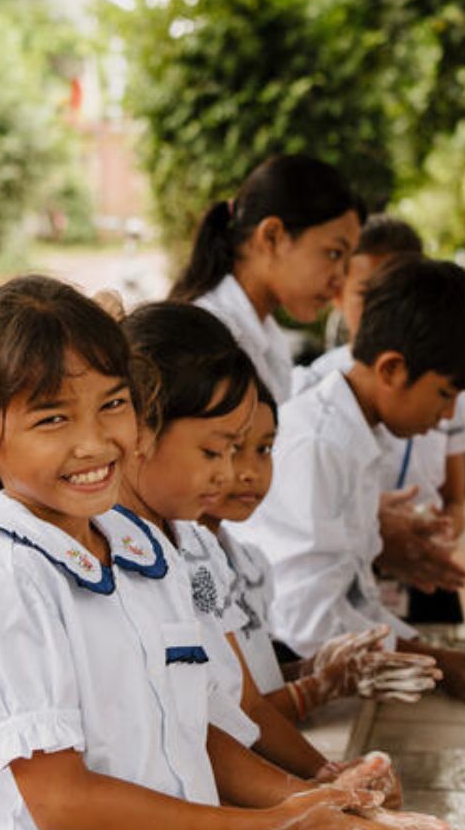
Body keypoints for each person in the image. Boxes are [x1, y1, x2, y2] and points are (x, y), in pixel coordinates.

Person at [0, 276, 457, 830]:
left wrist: (319, 802)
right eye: (51, 419)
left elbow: (197, 731)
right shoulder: (8, 575)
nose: (94, 441)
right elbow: (63, 801)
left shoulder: (140, 549)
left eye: (111, 405)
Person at [115, 301, 436, 793]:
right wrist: (305, 797)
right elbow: (198, 732)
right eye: (213, 451)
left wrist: (328, 780)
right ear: (140, 434)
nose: (231, 473)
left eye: (256, 449)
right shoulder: (107, 565)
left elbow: (242, 705)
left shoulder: (197, 546)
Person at [232, 256, 465, 713]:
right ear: (391, 370)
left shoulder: (355, 435)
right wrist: (433, 659)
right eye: (444, 394)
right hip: (274, 674)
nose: (447, 416)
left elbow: (354, 596)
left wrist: (430, 654)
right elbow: (310, 622)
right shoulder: (320, 446)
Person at [200, 382, 441, 720]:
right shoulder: (190, 573)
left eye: (265, 450)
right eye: (227, 450)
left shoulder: (248, 562)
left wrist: (312, 669)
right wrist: (318, 687)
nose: (249, 473)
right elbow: (233, 723)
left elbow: (252, 687)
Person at [296, 216, 465, 624]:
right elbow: (307, 619)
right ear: (338, 295)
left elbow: (456, 495)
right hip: (354, 571)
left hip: (419, 570)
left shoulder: (445, 379)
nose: (446, 412)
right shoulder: (313, 397)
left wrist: (441, 532)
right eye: (371, 294)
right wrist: (373, 531)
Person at [171, 155, 365, 405]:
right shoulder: (207, 341)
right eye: (333, 253)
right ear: (272, 236)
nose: (340, 279)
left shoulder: (266, 336)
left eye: (347, 262)